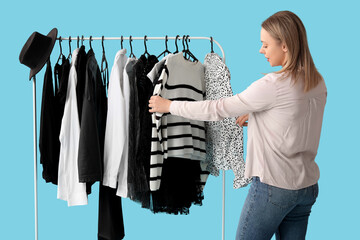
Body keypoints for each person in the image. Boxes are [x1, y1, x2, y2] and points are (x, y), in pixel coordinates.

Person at [149, 10, 327, 240]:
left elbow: (217, 109)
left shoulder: (272, 84)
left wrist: (169, 105)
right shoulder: (316, 81)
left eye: (265, 44)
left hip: (274, 188)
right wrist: (257, 117)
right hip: (306, 188)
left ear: (285, 46)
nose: (261, 50)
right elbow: (296, 118)